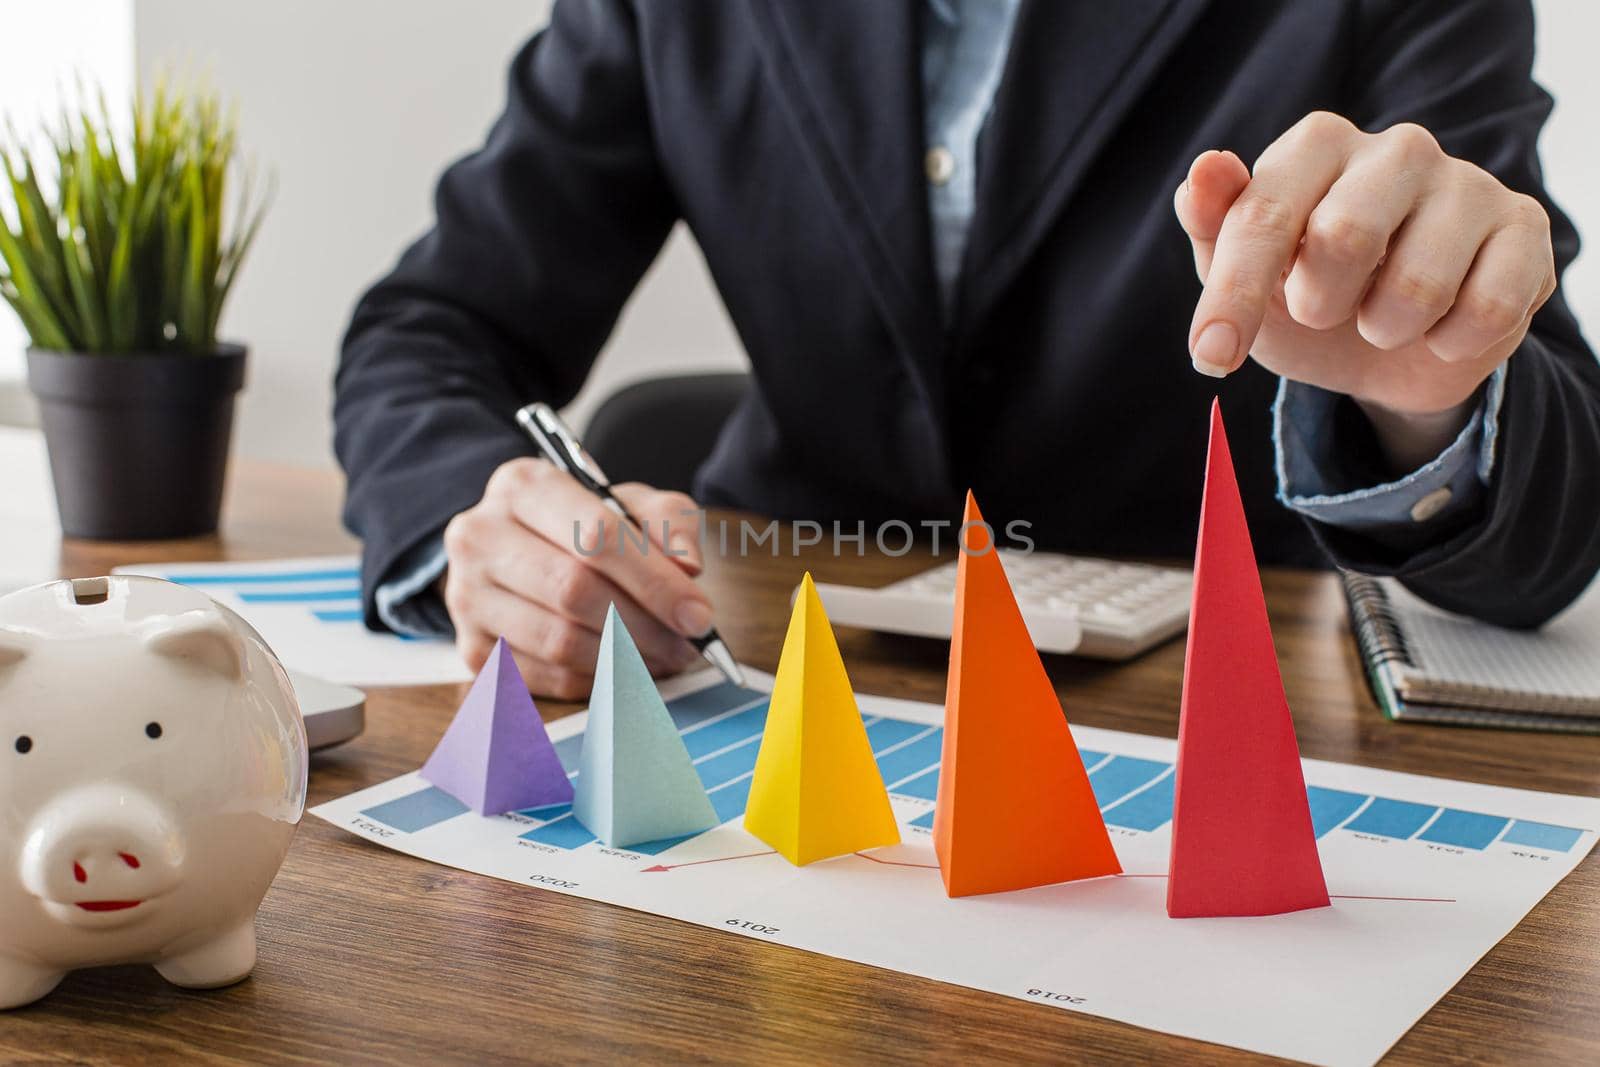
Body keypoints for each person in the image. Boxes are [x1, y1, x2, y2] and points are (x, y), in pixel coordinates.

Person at [336, 0, 1600, 697]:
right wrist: (482, 526)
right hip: (759, 680)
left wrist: (1435, 411)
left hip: (1207, 707)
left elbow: (1559, 521)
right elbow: (430, 326)